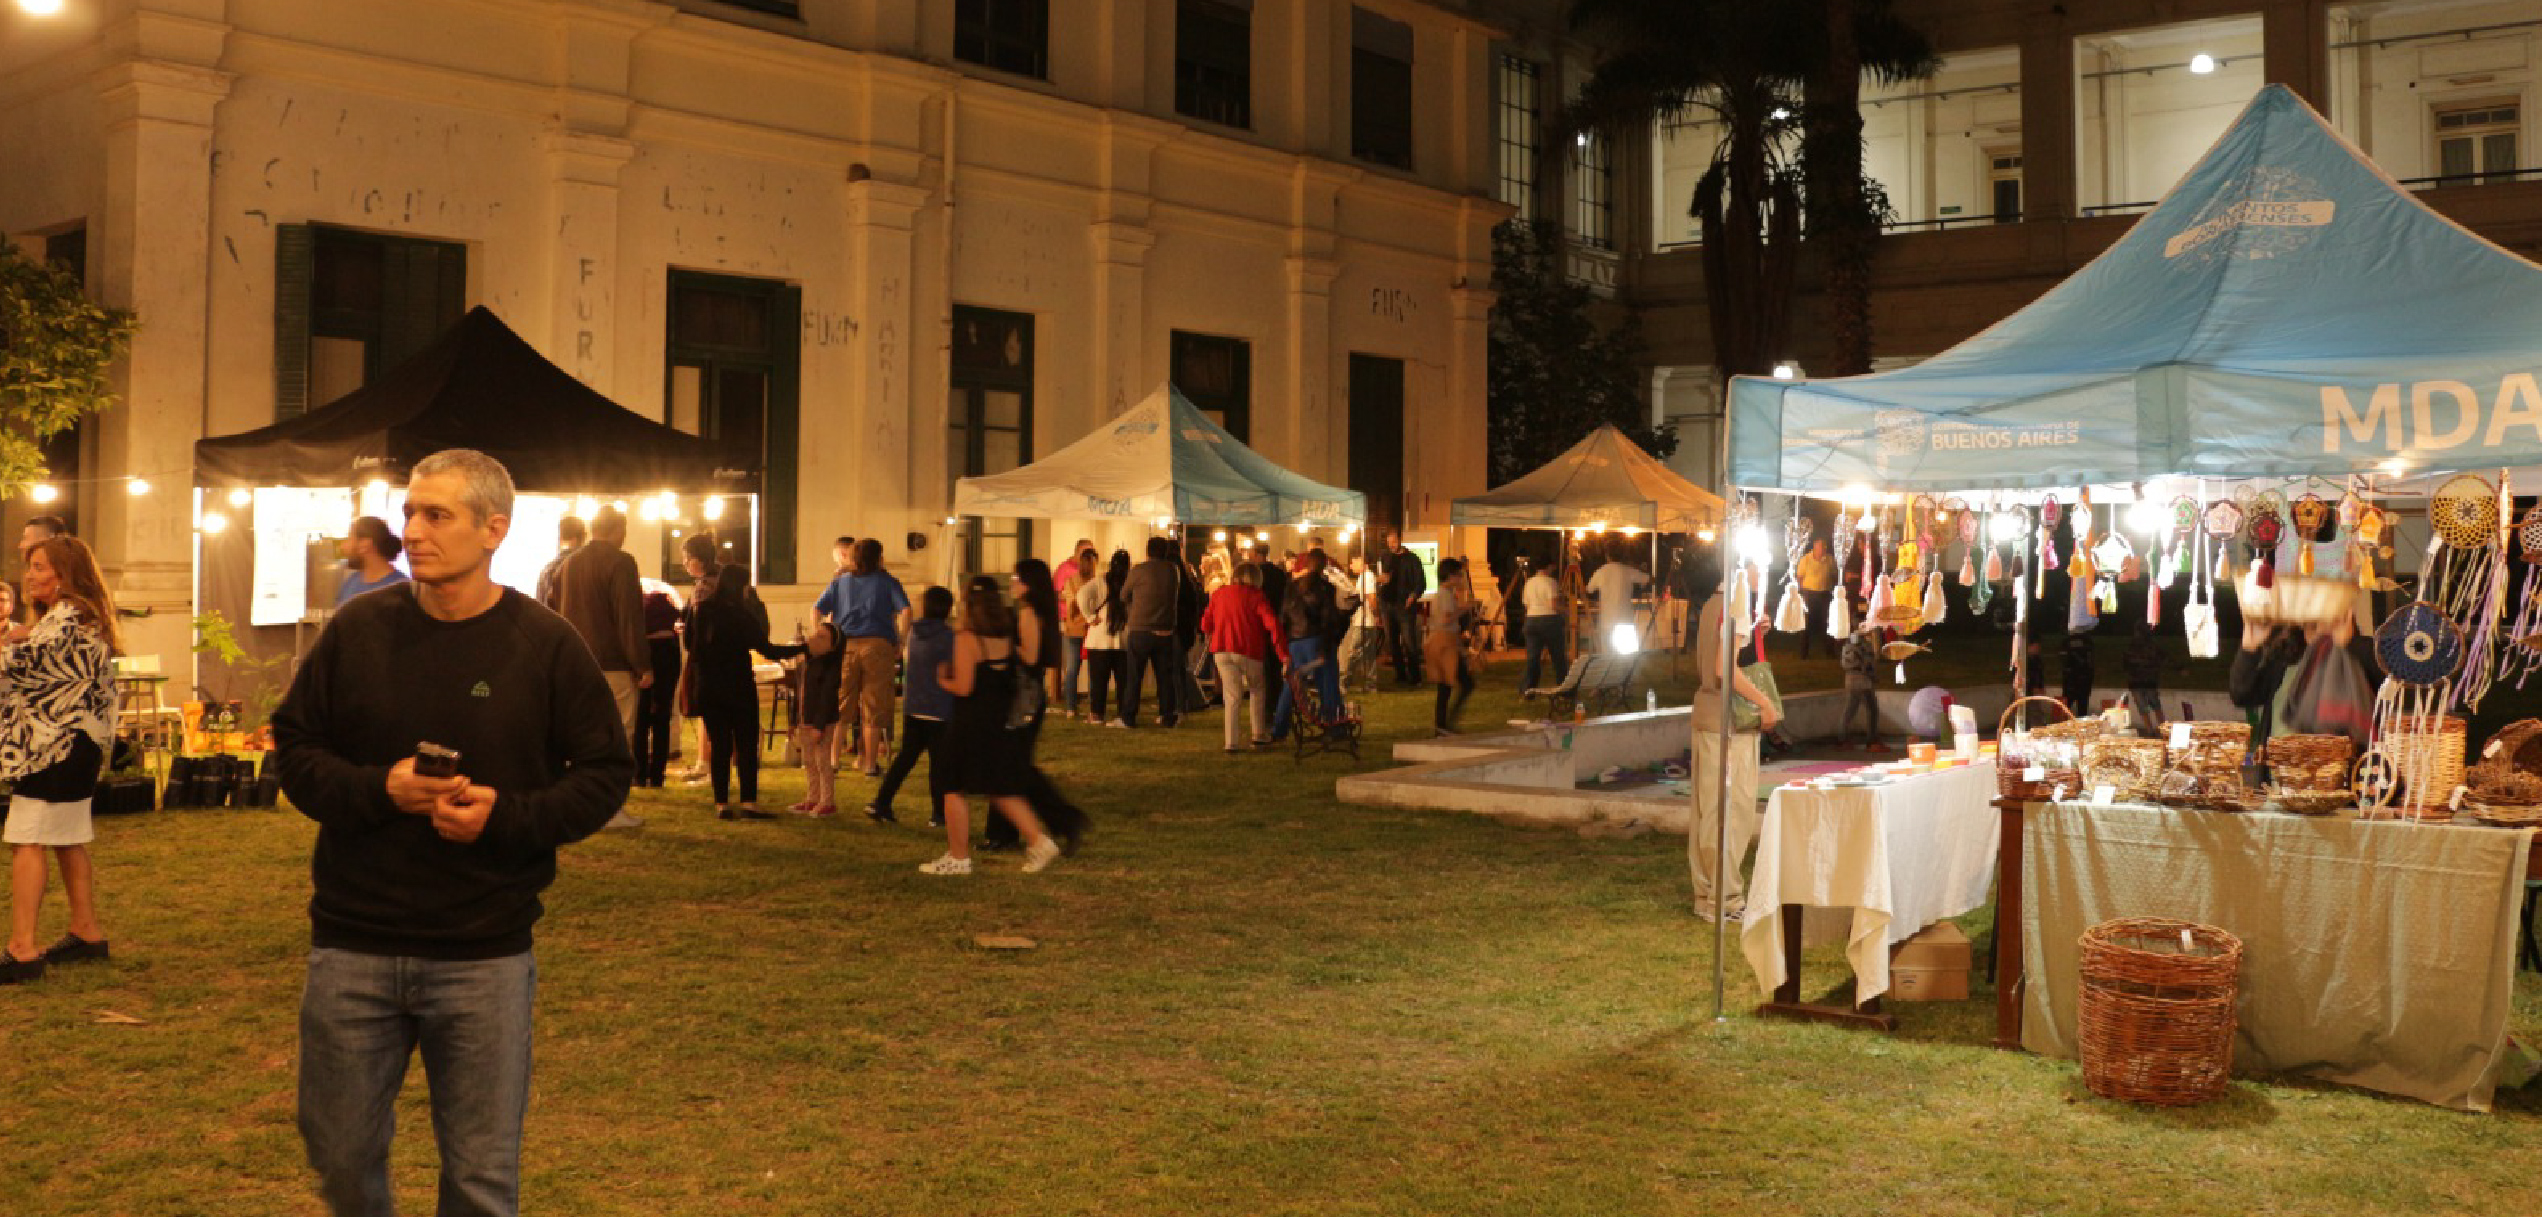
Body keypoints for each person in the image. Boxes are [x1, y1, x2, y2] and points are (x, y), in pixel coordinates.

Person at [272, 448, 632, 1216]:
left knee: (479, 1179)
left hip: (484, 952)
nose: (413, 531)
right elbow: (296, 751)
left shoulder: (545, 643)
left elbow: (604, 772)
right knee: (338, 1157)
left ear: (494, 529)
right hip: (353, 942)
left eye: (437, 514)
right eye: (408, 512)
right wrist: (382, 788)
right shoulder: (358, 628)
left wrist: (504, 817)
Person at [0, 535, 121, 985]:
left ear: (63, 574)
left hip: (55, 745)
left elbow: (18, 665)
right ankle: (86, 932)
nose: (29, 575)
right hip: (78, 744)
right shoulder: (80, 616)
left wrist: (15, 639)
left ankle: (22, 949)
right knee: (68, 837)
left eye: (37, 566)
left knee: (27, 838)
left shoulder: (66, 617)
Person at [920, 577, 1064, 876]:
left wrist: (942, 678)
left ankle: (958, 857)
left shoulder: (968, 639)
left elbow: (964, 686)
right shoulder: (1004, 638)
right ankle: (1038, 840)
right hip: (997, 722)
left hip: (969, 723)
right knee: (999, 788)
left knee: (950, 785)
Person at [980, 558, 1092, 854]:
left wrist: (1003, 642)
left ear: (1028, 583)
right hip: (1028, 696)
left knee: (1011, 769)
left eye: (1016, 578)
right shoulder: (1037, 610)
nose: (1012, 583)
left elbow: (1029, 657)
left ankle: (1057, 820)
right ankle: (1009, 831)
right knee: (1013, 768)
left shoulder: (1029, 612)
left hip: (1023, 698)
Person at [550, 506, 650, 830]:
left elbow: (554, 610)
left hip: (577, 664)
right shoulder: (621, 562)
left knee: (584, 737)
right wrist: (642, 664)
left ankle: (583, 805)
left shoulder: (568, 564)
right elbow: (628, 617)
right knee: (620, 736)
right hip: (612, 664)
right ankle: (612, 808)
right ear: (619, 530)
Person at [1688, 585, 1783, 925]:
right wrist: (1765, 702)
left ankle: (1707, 895)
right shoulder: (1737, 602)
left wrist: (1755, 632)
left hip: (1708, 717)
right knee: (1733, 811)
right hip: (1730, 724)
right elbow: (1724, 668)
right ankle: (1724, 899)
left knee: (1709, 810)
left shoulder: (1715, 601)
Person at [686, 558, 803, 821]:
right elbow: (768, 650)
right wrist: (803, 649)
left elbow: (689, 643)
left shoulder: (702, 610)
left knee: (720, 746)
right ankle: (749, 802)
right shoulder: (741, 615)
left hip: (709, 686)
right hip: (737, 686)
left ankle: (721, 804)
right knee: (746, 745)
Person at [815, 538, 910, 778]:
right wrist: (901, 639)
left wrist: (823, 637)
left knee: (842, 705)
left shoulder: (840, 582)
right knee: (874, 706)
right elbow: (906, 610)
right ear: (879, 557)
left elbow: (817, 609)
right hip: (878, 646)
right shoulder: (888, 582)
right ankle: (869, 763)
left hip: (845, 646)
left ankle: (834, 760)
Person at [865, 585, 955, 827]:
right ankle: (939, 814)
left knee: (905, 758)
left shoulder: (914, 634)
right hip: (939, 708)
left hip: (913, 706)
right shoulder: (949, 638)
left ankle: (881, 801)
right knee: (939, 764)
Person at [790, 539, 855, 815]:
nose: (814, 639)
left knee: (822, 762)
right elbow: (800, 692)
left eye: (821, 637)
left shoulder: (830, 669)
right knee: (808, 762)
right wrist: (794, 721)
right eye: (815, 635)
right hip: (805, 721)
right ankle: (811, 796)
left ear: (832, 646)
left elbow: (827, 697)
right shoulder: (809, 664)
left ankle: (827, 801)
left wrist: (818, 725)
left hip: (821, 723)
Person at [1202, 564, 1284, 752]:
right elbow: (1272, 624)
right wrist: (1282, 653)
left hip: (1221, 649)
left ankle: (1231, 742)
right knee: (1257, 689)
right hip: (1248, 649)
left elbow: (1206, 622)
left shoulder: (1219, 594)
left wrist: (1210, 632)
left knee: (1231, 696)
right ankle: (1258, 734)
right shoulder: (1256, 596)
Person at [1270, 550, 1343, 742]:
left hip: (1295, 642)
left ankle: (1279, 728)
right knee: (1327, 683)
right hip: (1317, 641)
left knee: (1291, 686)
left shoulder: (1291, 587)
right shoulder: (1326, 588)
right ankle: (1332, 724)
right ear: (1324, 566)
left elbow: (1283, 616)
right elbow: (1328, 619)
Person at [1118, 536, 1185, 728]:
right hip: (1165, 629)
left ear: (1147, 551)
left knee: (1134, 676)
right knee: (1165, 676)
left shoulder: (1138, 570)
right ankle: (1167, 715)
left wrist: (1133, 607)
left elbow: (1123, 595)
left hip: (1140, 629)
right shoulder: (1173, 571)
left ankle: (1129, 716)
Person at [633, 581, 682, 788]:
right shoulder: (666, 605)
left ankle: (640, 774)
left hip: (647, 655)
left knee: (640, 719)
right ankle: (658, 775)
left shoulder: (638, 607)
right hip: (668, 655)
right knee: (662, 717)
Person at [1426, 558, 1479, 737]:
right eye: (1459, 575)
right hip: (1445, 643)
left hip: (1441, 642)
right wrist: (1466, 608)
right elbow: (1446, 618)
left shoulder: (1443, 593)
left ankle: (1441, 725)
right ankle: (1445, 723)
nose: (1461, 579)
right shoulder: (1445, 595)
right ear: (1451, 576)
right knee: (1465, 683)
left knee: (1445, 685)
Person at [1082, 550, 1129, 726]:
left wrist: (1089, 617)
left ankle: (1096, 714)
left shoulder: (1101, 581)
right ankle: (1123, 713)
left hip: (1099, 639)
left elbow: (1082, 594)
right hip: (1123, 639)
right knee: (1123, 682)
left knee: (1099, 681)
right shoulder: (1129, 582)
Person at [1378, 531, 1426, 685]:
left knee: (1409, 642)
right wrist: (1381, 580)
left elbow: (1421, 583)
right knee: (1392, 642)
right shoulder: (1385, 557)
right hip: (1387, 605)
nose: (1391, 545)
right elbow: (1382, 577)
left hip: (1405, 606)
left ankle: (1415, 677)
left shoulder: (1412, 559)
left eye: (1394, 541)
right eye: (1389, 542)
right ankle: (1400, 675)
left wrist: (1413, 596)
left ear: (1400, 540)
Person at [1057, 547, 1096, 719]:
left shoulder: (1070, 581)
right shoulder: (1096, 583)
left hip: (1073, 630)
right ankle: (1093, 707)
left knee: (1072, 670)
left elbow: (1068, 603)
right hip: (1090, 630)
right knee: (1092, 671)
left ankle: (1071, 708)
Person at [334, 516, 409, 607]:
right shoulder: (350, 582)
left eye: (349, 538)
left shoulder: (401, 590)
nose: (343, 547)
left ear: (365, 544)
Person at [1588, 547, 1650, 653]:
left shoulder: (1601, 571)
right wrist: (1637, 567)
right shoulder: (1627, 570)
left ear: (1607, 556)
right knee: (1624, 658)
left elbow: (1589, 589)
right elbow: (1650, 579)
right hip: (1625, 620)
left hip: (1606, 621)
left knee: (1607, 656)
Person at [1519, 554, 1566, 691]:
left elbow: (1526, 605)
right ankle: (1563, 686)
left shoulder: (1529, 582)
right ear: (1549, 566)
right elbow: (1554, 605)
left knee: (1533, 658)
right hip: (1549, 620)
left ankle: (1528, 688)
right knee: (1558, 657)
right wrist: (1567, 611)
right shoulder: (1550, 582)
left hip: (1531, 620)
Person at [1837, 619, 1884, 751]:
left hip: (1853, 678)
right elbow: (1865, 662)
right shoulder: (1860, 642)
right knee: (1871, 709)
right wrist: (1872, 675)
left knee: (1851, 710)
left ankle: (1843, 739)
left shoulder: (1850, 641)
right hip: (1862, 680)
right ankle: (1871, 740)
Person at [1339, 555, 1382, 694]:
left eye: (1353, 562)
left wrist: (1375, 615)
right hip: (1365, 620)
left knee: (1354, 652)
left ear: (1362, 562)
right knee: (1368, 654)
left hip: (1365, 621)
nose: (1351, 566)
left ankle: (1345, 682)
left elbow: (1371, 597)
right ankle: (1370, 684)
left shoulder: (1367, 577)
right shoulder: (1365, 577)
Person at [2123, 619, 2168, 738]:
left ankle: (2150, 731)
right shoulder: (2152, 645)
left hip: (2136, 682)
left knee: (2143, 708)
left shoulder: (2131, 646)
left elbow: (2125, 665)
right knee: (2156, 706)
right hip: (2150, 681)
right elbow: (2163, 658)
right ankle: (2164, 730)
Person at [1795, 538, 1837, 659]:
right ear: (1814, 548)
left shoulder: (1830, 560)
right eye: (1819, 548)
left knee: (1828, 622)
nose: (1821, 551)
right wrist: (1802, 591)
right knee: (1805, 623)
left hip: (1825, 594)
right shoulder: (1806, 559)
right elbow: (1799, 576)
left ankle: (1830, 651)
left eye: (1823, 548)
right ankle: (1803, 652)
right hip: (1809, 594)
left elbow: (1834, 575)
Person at [533, 514, 584, 608]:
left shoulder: (547, 569)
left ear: (560, 538)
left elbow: (540, 606)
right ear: (581, 539)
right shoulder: (585, 570)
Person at [2061, 628, 2096, 715]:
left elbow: (2063, 657)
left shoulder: (2067, 640)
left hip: (2071, 678)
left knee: (2067, 705)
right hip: (2083, 678)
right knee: (2082, 706)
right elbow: (2090, 659)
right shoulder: (2087, 640)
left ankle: (2064, 723)